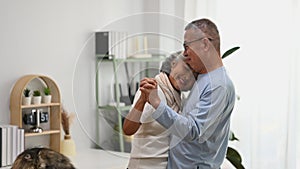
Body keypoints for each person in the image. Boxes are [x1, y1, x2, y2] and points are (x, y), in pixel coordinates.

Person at [139, 18, 236, 169]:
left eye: (187, 46)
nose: (185, 53)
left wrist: (157, 103)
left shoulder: (218, 85)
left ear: (204, 44)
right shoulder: (204, 78)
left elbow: (193, 130)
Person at [123, 52, 196, 169]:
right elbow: (127, 129)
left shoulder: (180, 99)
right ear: (173, 64)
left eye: (194, 75)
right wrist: (142, 99)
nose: (187, 77)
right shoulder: (154, 89)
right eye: (186, 68)